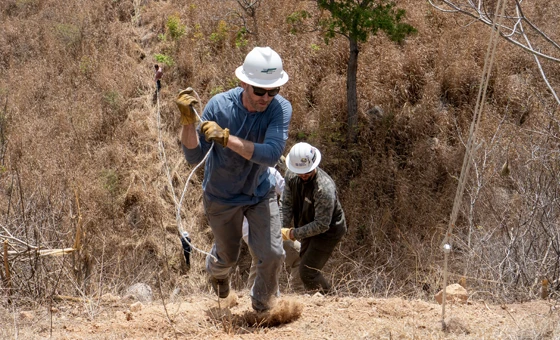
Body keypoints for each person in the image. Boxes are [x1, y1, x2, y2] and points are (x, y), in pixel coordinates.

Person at [176, 47, 291, 312]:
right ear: (243, 83)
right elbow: (193, 156)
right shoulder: (220, 106)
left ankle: (262, 307)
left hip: (259, 191)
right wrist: (186, 122)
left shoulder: (279, 109)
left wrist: (228, 140)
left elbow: (272, 155)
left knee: (273, 254)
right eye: (259, 91)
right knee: (228, 257)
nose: (266, 98)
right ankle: (217, 274)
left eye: (272, 91)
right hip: (222, 195)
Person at [280, 142, 347, 294]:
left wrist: (291, 234)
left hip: (328, 231)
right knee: (305, 261)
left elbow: (322, 224)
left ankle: (329, 300)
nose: (303, 175)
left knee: (307, 271)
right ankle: (316, 295)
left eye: (307, 172)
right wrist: (280, 227)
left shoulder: (324, 188)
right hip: (307, 223)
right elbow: (286, 204)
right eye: (300, 172)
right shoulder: (291, 174)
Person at [242, 164, 302, 290]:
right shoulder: (270, 172)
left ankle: (248, 298)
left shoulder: (236, 175)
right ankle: (297, 293)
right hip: (266, 231)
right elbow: (288, 194)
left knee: (259, 262)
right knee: (300, 255)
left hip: (248, 232)